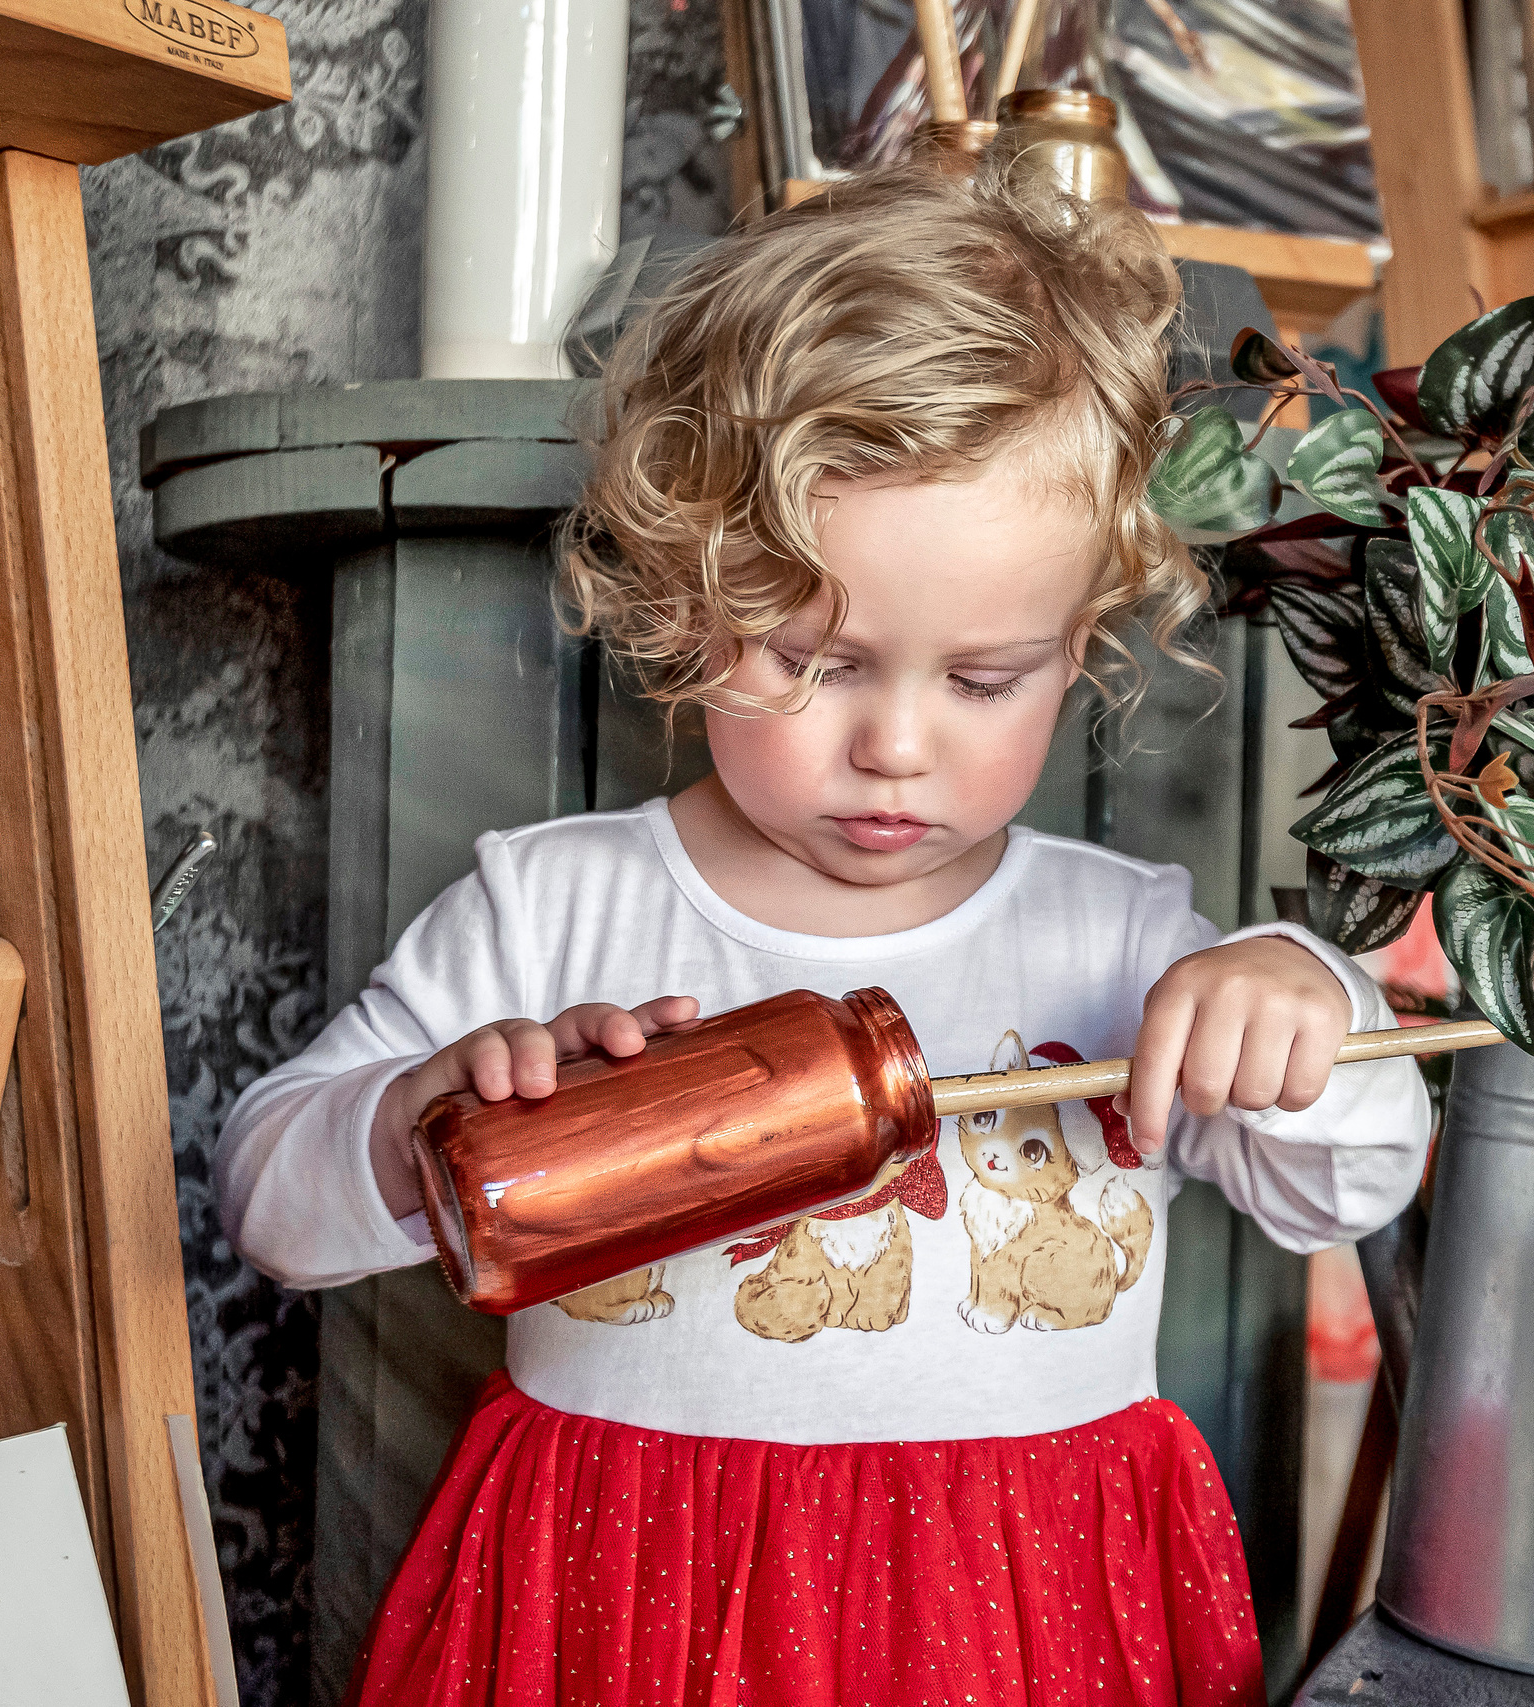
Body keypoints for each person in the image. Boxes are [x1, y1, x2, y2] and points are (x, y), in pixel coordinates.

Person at [216, 159, 1432, 1706]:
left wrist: (1301, 999)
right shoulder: (557, 905)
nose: (897, 747)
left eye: (985, 680)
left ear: (1081, 646)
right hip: (626, 1584)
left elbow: (1356, 1181)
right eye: (812, 658)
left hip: (1024, 1602)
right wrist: (423, 1116)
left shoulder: (1127, 939)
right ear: (687, 596)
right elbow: (270, 1194)